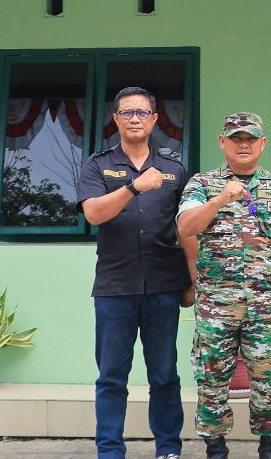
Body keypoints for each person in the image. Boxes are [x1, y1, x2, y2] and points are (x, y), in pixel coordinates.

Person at [177, 112, 271, 459]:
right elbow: (186, 228)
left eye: (251, 138)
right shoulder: (202, 184)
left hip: (265, 307)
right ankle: (216, 450)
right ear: (223, 142)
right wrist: (220, 199)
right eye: (236, 138)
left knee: (270, 380)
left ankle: (269, 449)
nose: (244, 144)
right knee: (212, 382)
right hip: (216, 307)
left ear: (263, 144)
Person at [76, 86, 191, 459]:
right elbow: (94, 213)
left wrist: (193, 280)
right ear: (116, 119)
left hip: (163, 285)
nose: (135, 119)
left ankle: (168, 449)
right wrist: (132, 187)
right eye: (127, 113)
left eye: (142, 112)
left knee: (164, 374)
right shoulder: (97, 165)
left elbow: (187, 229)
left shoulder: (174, 168)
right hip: (115, 287)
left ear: (155, 119)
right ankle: (110, 451)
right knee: (112, 377)